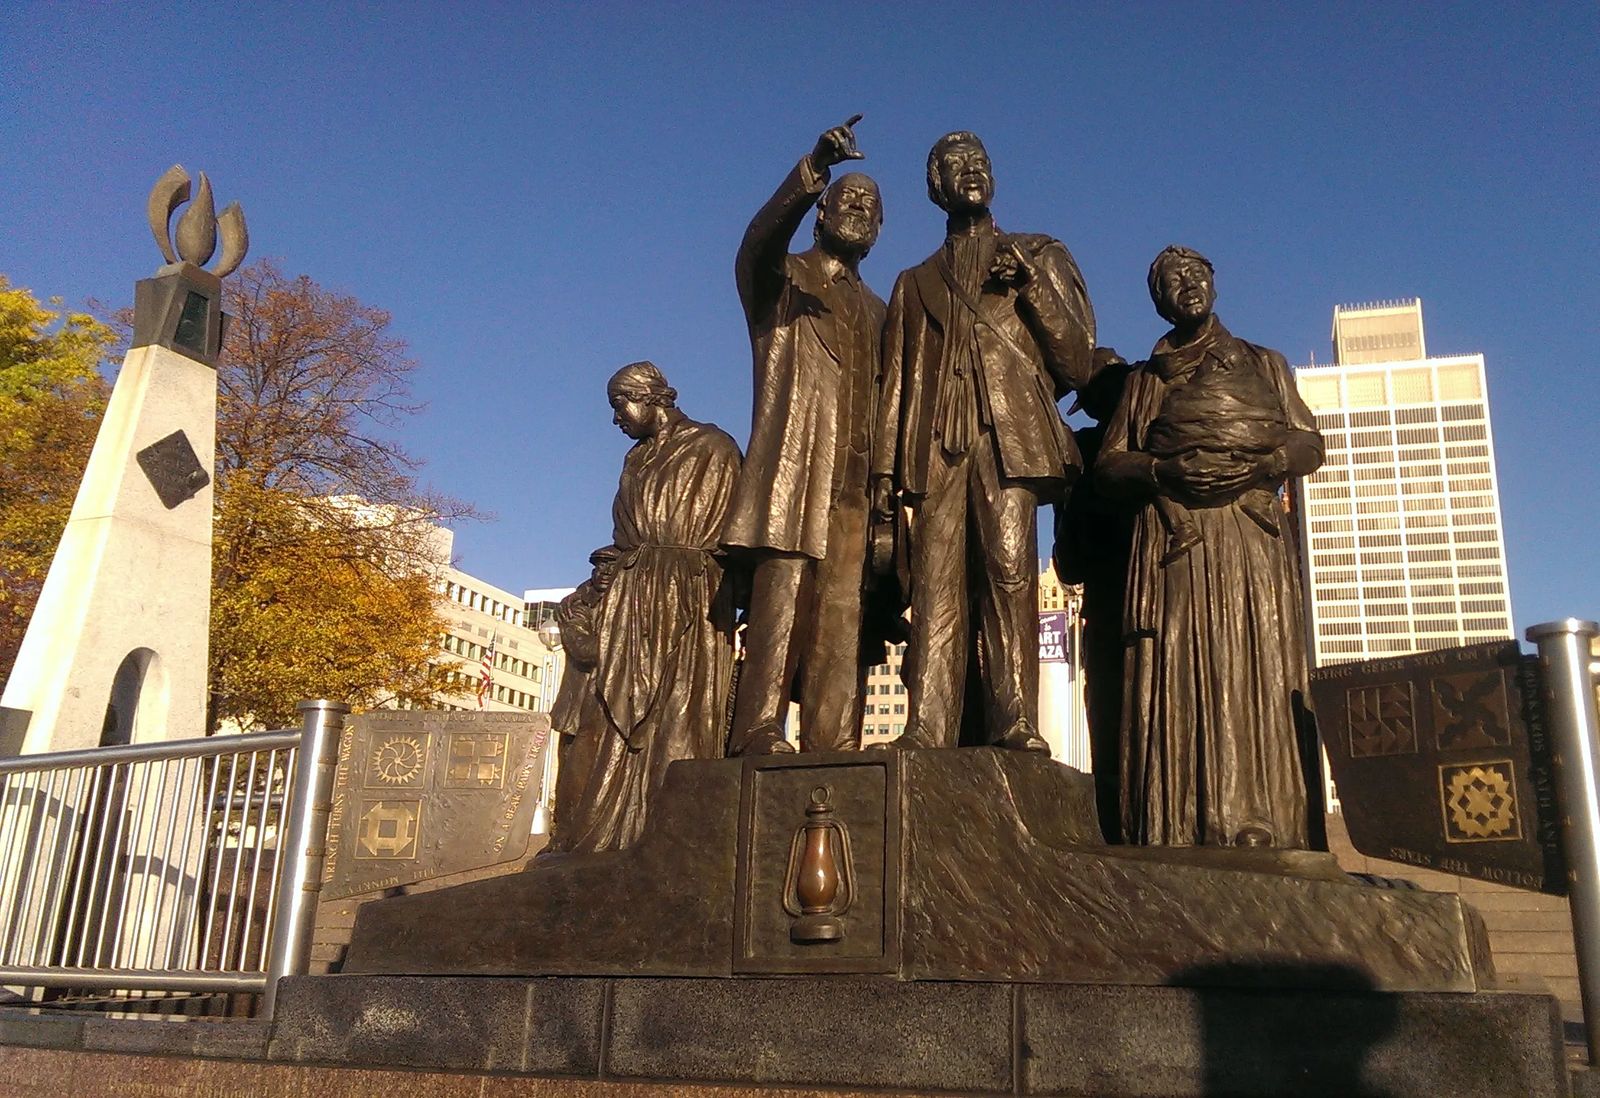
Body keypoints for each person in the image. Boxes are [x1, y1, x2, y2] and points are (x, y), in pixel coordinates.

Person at [872, 131, 1095, 751]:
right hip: (937, 444)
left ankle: (1015, 720)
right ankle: (927, 726)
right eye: (955, 165)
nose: (970, 171)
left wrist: (1031, 286)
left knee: (1009, 574)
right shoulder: (913, 282)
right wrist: (887, 475)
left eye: (980, 162)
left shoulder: (1038, 254)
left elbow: (1077, 362)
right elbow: (895, 383)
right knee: (935, 584)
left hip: (1008, 437)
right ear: (935, 187)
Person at [1097, 246, 1324, 848]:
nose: (1187, 284)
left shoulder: (1265, 364)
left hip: (1249, 539)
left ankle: (1268, 821)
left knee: (1254, 667)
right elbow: (1110, 464)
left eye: (1196, 273)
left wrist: (1265, 462)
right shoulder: (1145, 382)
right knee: (1182, 667)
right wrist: (1162, 474)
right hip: (1179, 544)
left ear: (1215, 283)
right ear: (1158, 301)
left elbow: (1310, 444)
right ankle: (1180, 823)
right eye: (1172, 280)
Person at [722, 115, 890, 756]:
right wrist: (812, 167)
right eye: (847, 197)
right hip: (796, 469)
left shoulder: (881, 311)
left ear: (879, 232)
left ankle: (834, 738)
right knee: (782, 604)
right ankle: (759, 727)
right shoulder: (781, 280)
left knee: (842, 618)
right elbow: (755, 244)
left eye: (871, 207)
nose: (858, 208)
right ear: (819, 213)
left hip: (854, 484)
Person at [543, 362, 741, 854]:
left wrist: (670, 572)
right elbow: (624, 535)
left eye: (620, 406)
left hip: (687, 600)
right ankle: (595, 838)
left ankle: (665, 837)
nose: (617, 420)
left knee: (676, 718)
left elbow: (729, 540)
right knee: (597, 719)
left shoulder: (711, 446)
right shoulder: (634, 460)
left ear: (653, 398)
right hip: (627, 602)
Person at [1053, 348, 1135, 842]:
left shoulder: (1084, 454)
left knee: (1112, 721)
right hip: (1111, 610)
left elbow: (1069, 561)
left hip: (1127, 607)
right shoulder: (1083, 455)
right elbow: (1070, 563)